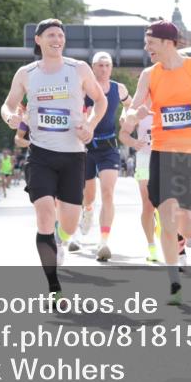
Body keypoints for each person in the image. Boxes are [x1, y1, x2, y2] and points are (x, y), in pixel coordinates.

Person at [121, 20, 191, 305]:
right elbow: (132, 111)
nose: (147, 48)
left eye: (150, 43)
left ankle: (185, 239)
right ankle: (174, 282)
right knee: (166, 219)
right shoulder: (149, 74)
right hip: (163, 152)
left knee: (188, 226)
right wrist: (132, 116)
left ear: (167, 42)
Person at [1, 19, 106, 302]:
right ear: (38, 40)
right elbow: (9, 104)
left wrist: (91, 125)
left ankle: (62, 239)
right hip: (41, 154)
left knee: (68, 225)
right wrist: (9, 116)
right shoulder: (26, 73)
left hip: (73, 155)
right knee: (45, 214)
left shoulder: (79, 69)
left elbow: (100, 100)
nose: (57, 40)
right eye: (51, 35)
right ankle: (54, 286)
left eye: (60, 35)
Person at [76, 52, 132, 261]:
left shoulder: (119, 88)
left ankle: (103, 241)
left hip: (109, 146)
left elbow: (130, 105)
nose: (104, 69)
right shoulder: (84, 88)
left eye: (107, 65)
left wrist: (126, 116)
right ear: (92, 67)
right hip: (86, 146)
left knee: (108, 192)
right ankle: (87, 210)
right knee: (88, 196)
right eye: (99, 65)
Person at [119, 110, 162, 263]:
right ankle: (152, 247)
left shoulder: (166, 99)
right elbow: (123, 133)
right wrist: (134, 142)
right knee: (148, 205)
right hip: (145, 159)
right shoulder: (138, 106)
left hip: (166, 158)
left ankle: (160, 219)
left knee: (165, 204)